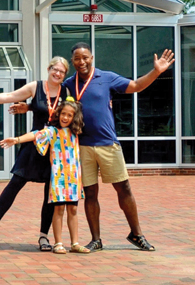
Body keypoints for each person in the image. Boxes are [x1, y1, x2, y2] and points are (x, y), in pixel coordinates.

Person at [62, 42, 175, 252]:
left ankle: (137, 234)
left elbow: (136, 86)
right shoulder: (69, 83)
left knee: (123, 189)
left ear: (92, 57)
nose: (81, 62)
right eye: (77, 58)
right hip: (82, 146)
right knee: (90, 193)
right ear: (73, 61)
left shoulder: (106, 77)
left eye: (85, 57)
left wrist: (156, 71)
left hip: (107, 144)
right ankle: (96, 239)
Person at [0, 56, 70, 251]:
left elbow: (73, 114)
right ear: (49, 68)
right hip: (33, 144)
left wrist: (28, 107)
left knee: (50, 194)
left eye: (62, 72)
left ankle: (44, 237)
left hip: (56, 149)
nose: (58, 73)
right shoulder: (35, 87)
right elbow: (9, 96)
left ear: (65, 75)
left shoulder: (67, 91)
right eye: (55, 69)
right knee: (16, 182)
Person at [0, 98, 90, 254]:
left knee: (74, 210)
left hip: (74, 178)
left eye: (69, 115)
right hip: (59, 178)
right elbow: (35, 134)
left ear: (74, 117)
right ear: (58, 114)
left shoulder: (77, 133)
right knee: (59, 209)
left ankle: (75, 243)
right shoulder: (52, 131)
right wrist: (17, 139)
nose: (65, 118)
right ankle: (58, 243)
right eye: (63, 114)